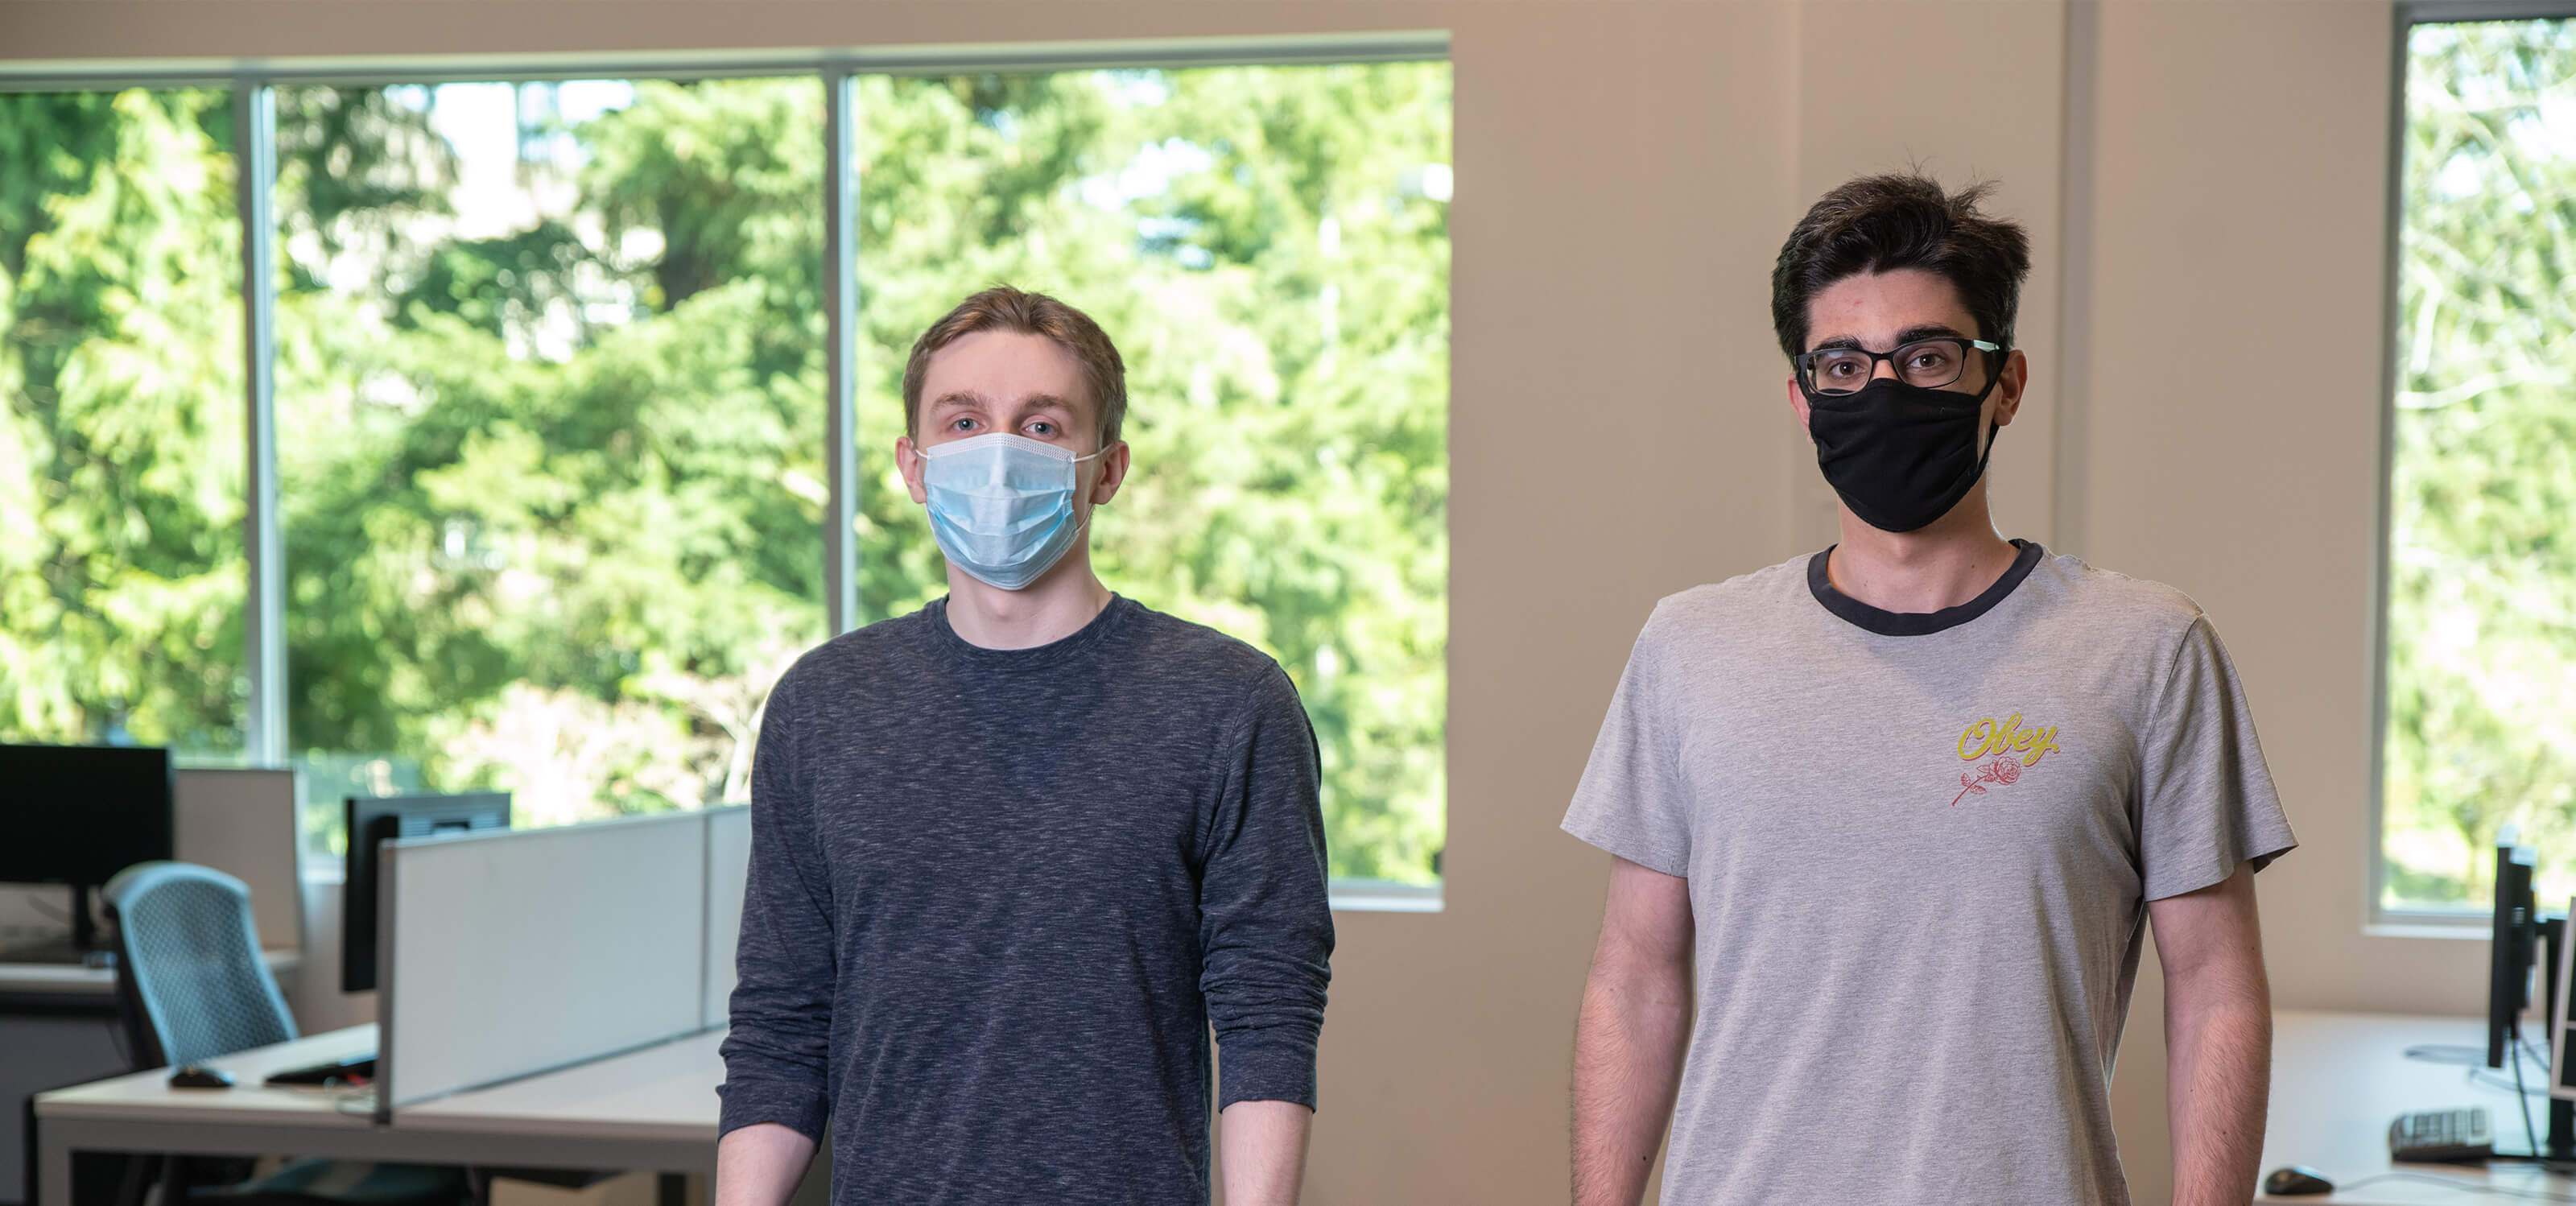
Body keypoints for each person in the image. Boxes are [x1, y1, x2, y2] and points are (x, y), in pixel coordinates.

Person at [1563, 174, 2295, 1206]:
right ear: (1799, 394)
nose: (1884, 388)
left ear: (2003, 384)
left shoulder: (2145, 649)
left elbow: (2215, 988)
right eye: (1841, 363)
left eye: (1926, 356)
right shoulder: (1690, 647)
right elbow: (1634, 980)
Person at [715, 286, 1334, 1206]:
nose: (996, 456)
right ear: (913, 464)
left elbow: (1266, 1016)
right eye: (962, 421)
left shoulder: (1227, 704)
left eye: (1040, 426)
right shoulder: (824, 706)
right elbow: (781, 1021)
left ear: (1107, 468)